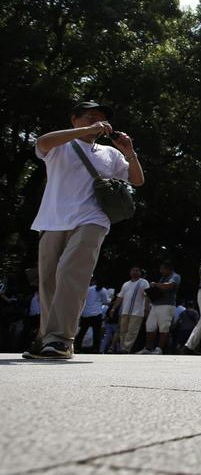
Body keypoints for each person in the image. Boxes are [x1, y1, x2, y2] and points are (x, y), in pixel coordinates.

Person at [24, 101, 144, 359]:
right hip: (52, 220)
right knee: (48, 282)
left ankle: (60, 340)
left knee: (71, 273)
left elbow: (137, 179)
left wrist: (128, 151)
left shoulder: (109, 154)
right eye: (90, 117)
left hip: (93, 220)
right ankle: (46, 336)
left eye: (100, 120)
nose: (97, 123)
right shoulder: (61, 146)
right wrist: (84, 131)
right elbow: (42, 142)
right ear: (74, 119)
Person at [138, 261, 180, 355]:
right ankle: (148, 348)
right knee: (150, 325)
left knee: (163, 327)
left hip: (167, 305)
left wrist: (156, 285)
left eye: (162, 269)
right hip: (156, 304)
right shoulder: (163, 277)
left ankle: (159, 349)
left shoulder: (175, 276)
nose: (161, 271)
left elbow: (169, 286)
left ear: (168, 269)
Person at [109, 266, 150, 353]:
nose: (135, 272)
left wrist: (146, 308)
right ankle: (123, 348)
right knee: (123, 331)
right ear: (130, 272)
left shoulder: (143, 282)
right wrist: (113, 309)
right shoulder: (126, 284)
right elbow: (120, 297)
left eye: (137, 270)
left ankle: (126, 348)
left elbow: (147, 295)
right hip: (125, 311)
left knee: (132, 331)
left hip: (137, 312)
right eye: (133, 270)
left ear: (140, 273)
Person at [76, 278, 109, 354]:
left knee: (82, 332)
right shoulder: (103, 290)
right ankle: (95, 349)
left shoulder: (88, 289)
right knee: (96, 332)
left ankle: (77, 347)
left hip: (86, 314)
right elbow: (106, 301)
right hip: (96, 314)